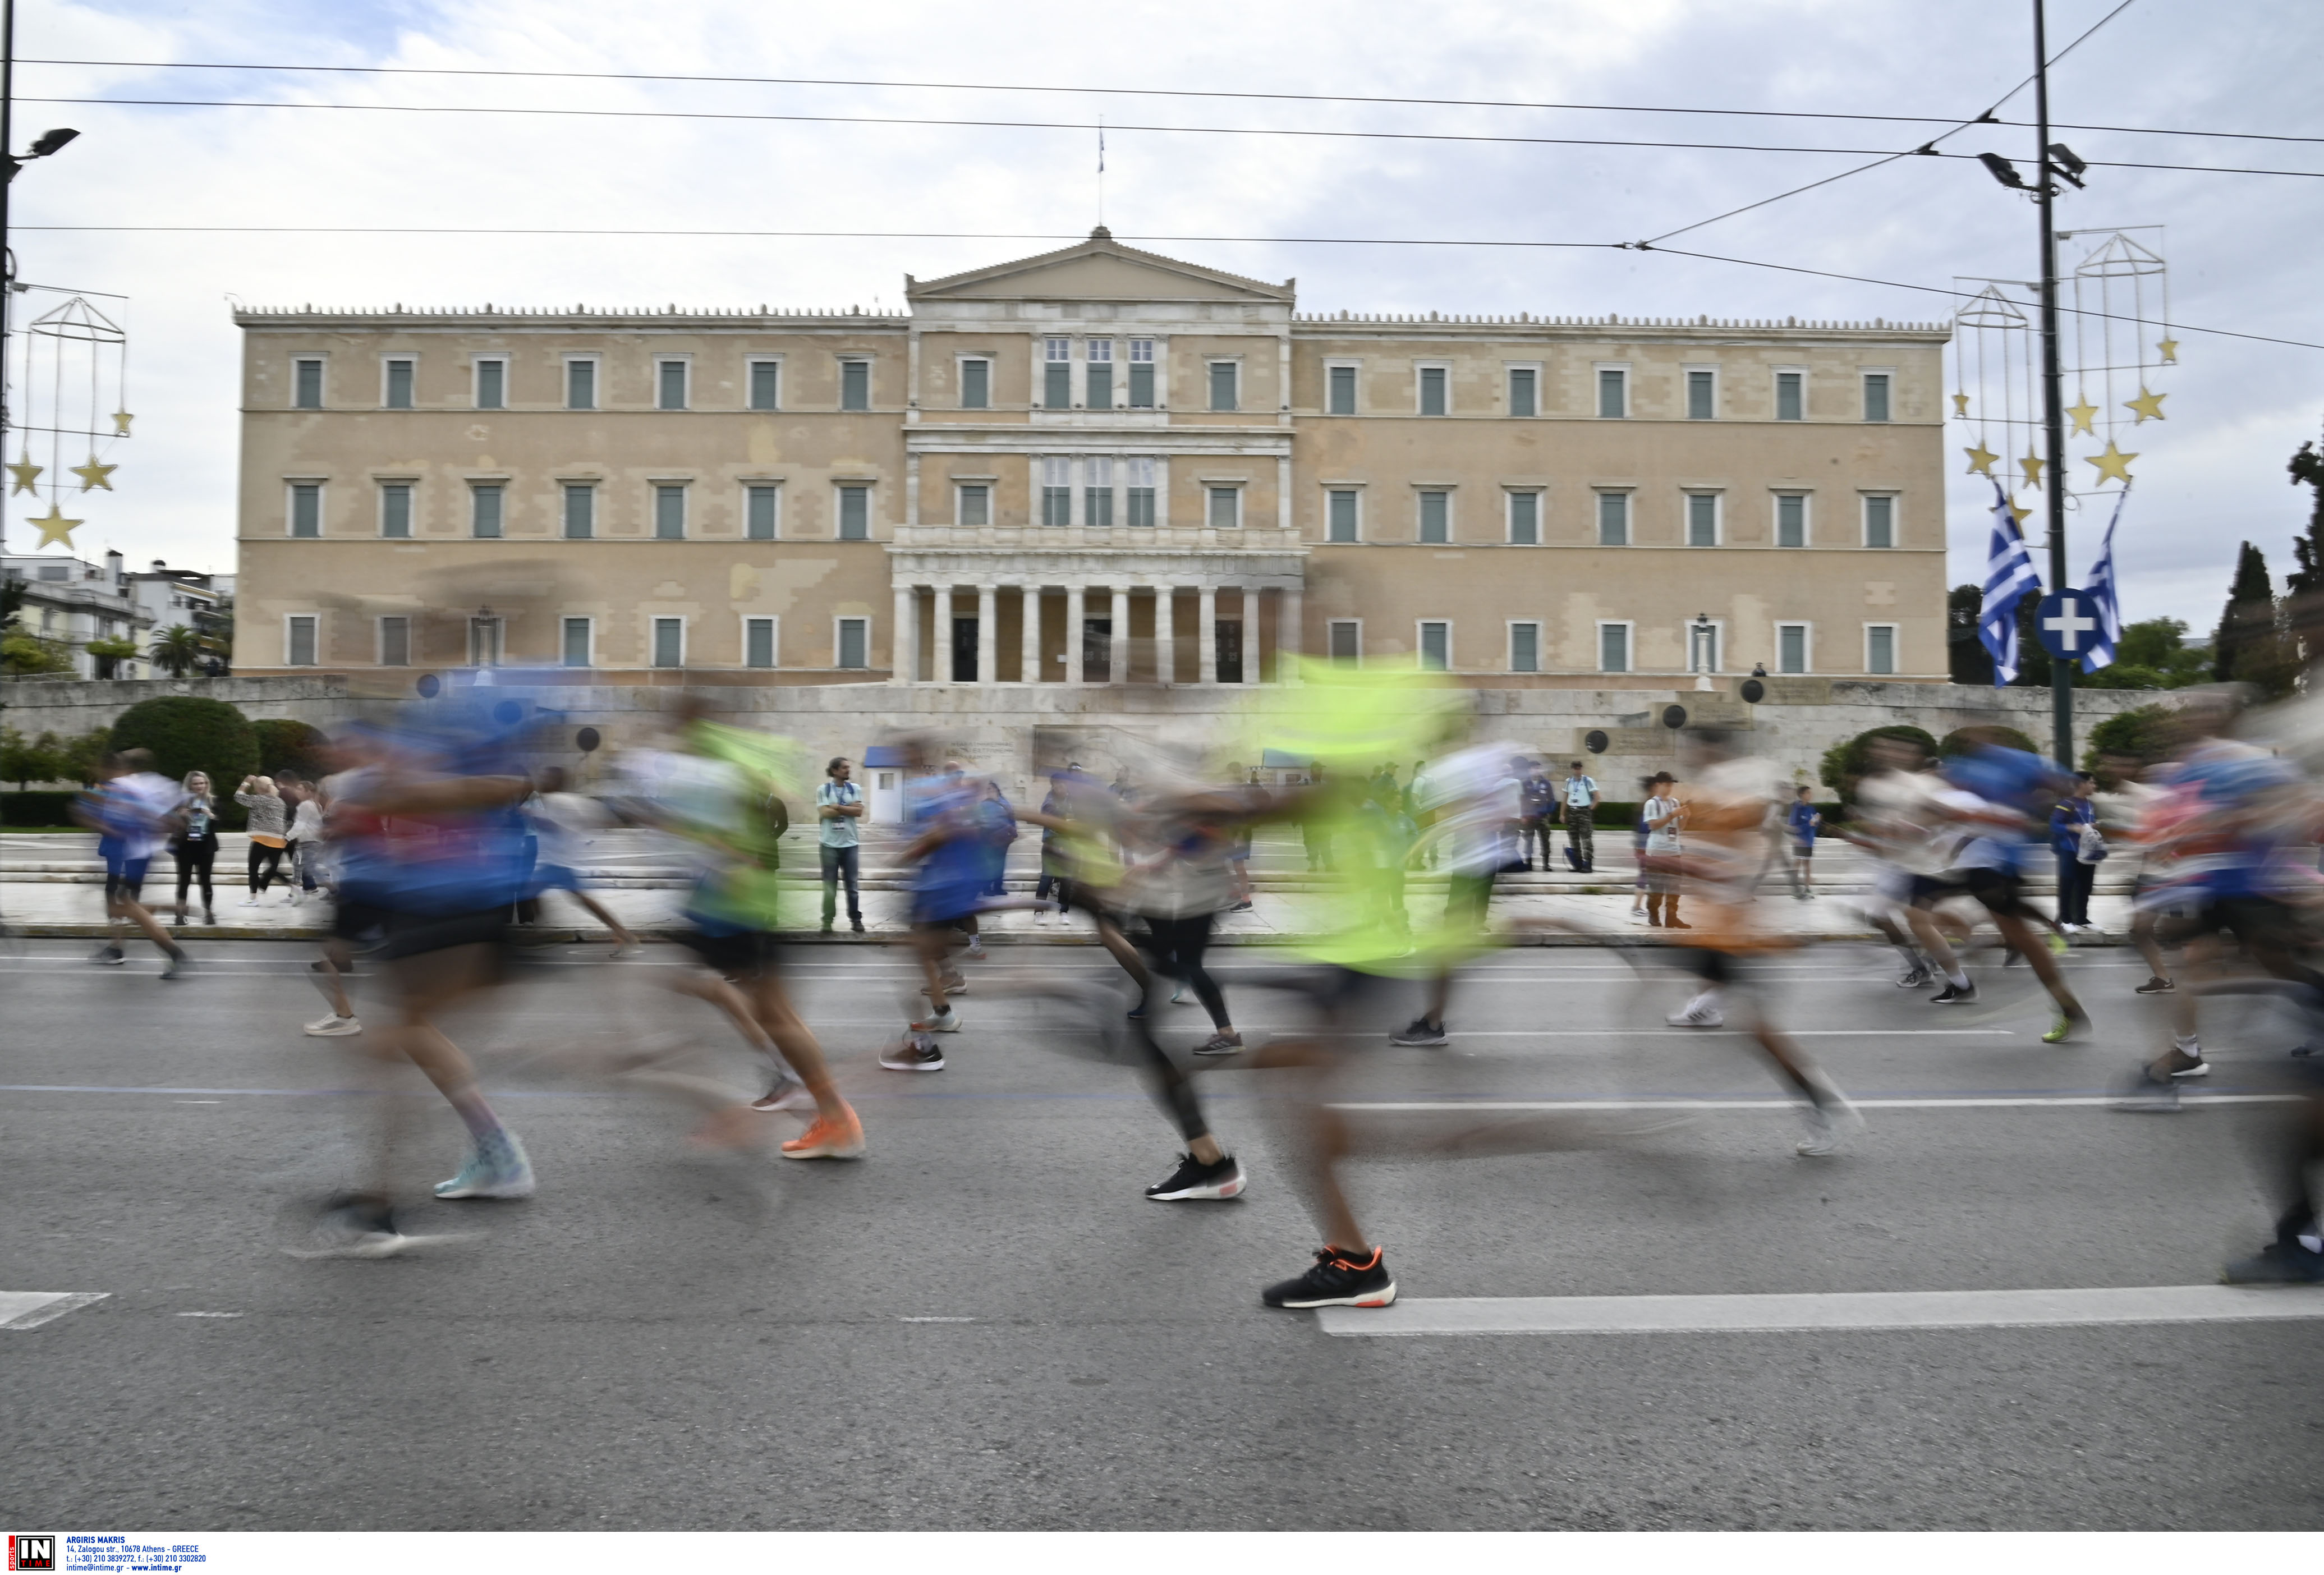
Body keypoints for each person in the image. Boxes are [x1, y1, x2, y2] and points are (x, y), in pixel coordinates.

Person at [79, 749, 192, 979]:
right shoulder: (152, 784)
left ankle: (173, 950)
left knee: (125, 908)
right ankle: (119, 947)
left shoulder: (123, 787)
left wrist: (105, 823)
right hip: (136, 854)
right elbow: (175, 814)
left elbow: (91, 810)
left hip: (126, 855)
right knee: (123, 907)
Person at [523, 764, 641, 953]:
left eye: (546, 778)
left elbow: (545, 823)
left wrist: (531, 816)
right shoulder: (574, 801)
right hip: (564, 861)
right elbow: (603, 817)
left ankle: (539, 932)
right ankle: (623, 933)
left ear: (556, 781)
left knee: (530, 890)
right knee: (578, 898)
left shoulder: (550, 801)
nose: (542, 781)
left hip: (555, 863)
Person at [815, 756, 866, 934]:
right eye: (844, 768)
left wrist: (837, 806)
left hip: (850, 844)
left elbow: (859, 811)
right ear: (835, 770)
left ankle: (856, 920)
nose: (848, 770)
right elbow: (825, 813)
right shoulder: (823, 789)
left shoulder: (855, 788)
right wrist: (847, 807)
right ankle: (827, 921)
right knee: (830, 886)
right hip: (829, 845)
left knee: (852, 886)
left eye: (848, 767)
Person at [2051, 772, 2101, 932]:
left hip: (2088, 851)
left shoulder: (2090, 804)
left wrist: (2093, 826)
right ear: (2081, 784)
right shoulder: (2066, 803)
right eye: (2092, 783)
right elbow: (2054, 825)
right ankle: (2064, 920)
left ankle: (2082, 919)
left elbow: (2086, 823)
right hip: (2070, 850)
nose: (2094, 786)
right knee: (2068, 886)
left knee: (2085, 886)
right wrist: (2072, 827)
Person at [169, 770, 221, 926]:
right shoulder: (182, 802)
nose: (200, 786)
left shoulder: (213, 801)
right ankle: (179, 915)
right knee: (184, 880)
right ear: (190, 786)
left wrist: (211, 815)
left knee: (205, 881)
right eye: (197, 783)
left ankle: (209, 913)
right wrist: (180, 816)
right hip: (186, 845)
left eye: (203, 783)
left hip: (206, 845)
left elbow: (220, 822)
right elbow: (170, 822)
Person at [235, 775, 290, 904]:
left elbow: (238, 797)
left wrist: (246, 782)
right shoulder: (280, 801)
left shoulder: (259, 800)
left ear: (258, 788)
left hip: (261, 839)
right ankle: (293, 888)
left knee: (253, 869)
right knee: (273, 869)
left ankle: (253, 899)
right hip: (278, 840)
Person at [1641, 772, 1686, 928]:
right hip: (1657, 852)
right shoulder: (1652, 804)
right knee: (1656, 888)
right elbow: (1653, 825)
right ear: (1658, 785)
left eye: (1671, 785)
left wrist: (1686, 817)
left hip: (1673, 851)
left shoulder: (1675, 802)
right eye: (1667, 785)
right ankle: (1654, 915)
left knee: (1675, 887)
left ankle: (1672, 917)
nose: (1669, 788)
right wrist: (1671, 815)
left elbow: (1680, 828)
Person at [1558, 760, 1599, 872]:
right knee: (1574, 838)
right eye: (1575, 768)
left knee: (1586, 838)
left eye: (1579, 768)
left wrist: (1591, 808)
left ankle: (1588, 863)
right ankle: (1578, 864)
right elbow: (1565, 798)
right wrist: (1562, 814)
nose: (1578, 770)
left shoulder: (1587, 781)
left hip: (1583, 811)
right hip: (1572, 811)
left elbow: (1597, 796)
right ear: (1572, 769)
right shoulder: (1569, 782)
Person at [1786, 784, 1822, 900]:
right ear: (1802, 795)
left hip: (1809, 841)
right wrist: (1809, 824)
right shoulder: (1796, 809)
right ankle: (1795, 889)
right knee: (1797, 864)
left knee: (1807, 866)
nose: (1810, 795)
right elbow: (1793, 827)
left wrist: (1817, 822)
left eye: (1810, 793)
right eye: (1808, 793)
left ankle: (1808, 889)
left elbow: (1814, 825)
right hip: (1800, 841)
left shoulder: (1811, 808)